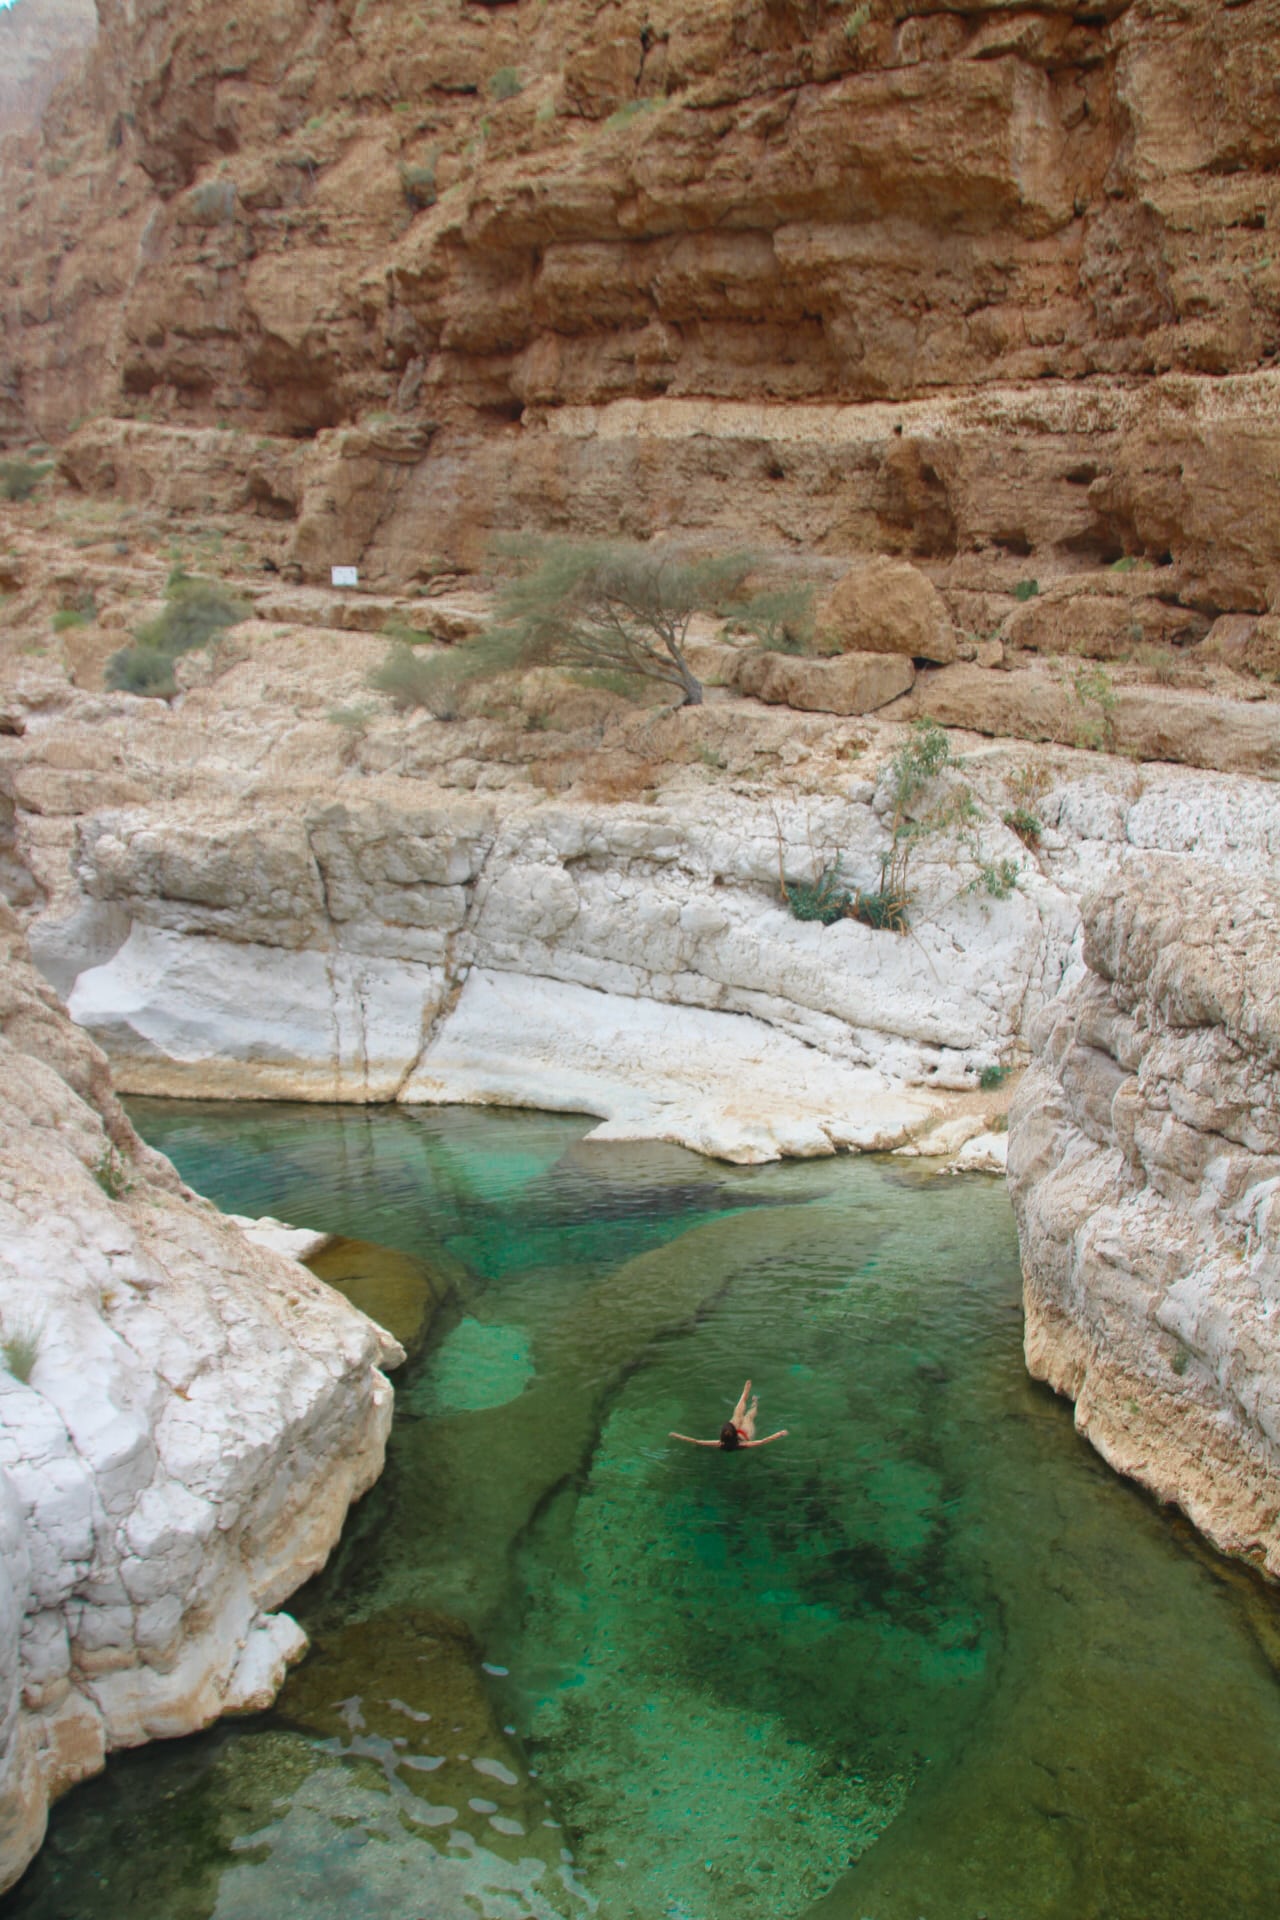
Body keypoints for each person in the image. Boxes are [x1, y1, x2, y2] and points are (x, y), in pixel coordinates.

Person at [670, 1379, 788, 1451]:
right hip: (746, 1436)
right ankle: (755, 1402)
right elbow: (762, 1441)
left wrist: (678, 1436)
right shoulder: (743, 1445)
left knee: (737, 1415)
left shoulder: (719, 1444)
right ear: (735, 1431)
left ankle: (745, 1393)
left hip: (738, 1437)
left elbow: (697, 1441)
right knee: (748, 1417)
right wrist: (779, 1434)